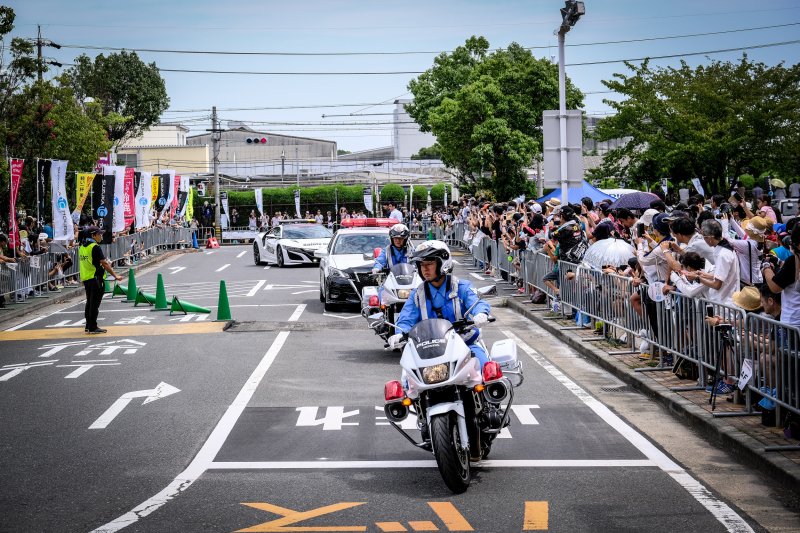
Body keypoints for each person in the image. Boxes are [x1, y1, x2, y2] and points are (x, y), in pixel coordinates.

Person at [388, 240, 491, 368]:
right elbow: (406, 318)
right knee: (408, 377)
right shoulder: (417, 294)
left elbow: (477, 302)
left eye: (429, 263)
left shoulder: (461, 287)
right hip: (430, 351)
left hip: (465, 344)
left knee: (485, 368)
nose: (424, 268)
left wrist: (481, 313)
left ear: (443, 263)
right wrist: (399, 333)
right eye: (421, 264)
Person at [79, 226, 123, 334]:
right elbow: (104, 263)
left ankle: (88, 325)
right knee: (94, 304)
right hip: (96, 279)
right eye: (99, 234)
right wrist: (115, 275)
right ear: (93, 235)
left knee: (89, 302)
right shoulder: (95, 247)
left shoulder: (82, 247)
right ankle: (93, 327)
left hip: (86, 278)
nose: (101, 236)